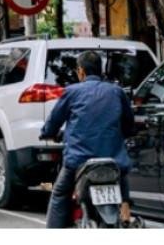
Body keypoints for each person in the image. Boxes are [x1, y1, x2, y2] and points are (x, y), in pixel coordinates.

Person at [40, 50, 135, 227]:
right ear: (100, 71)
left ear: (81, 71)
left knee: (59, 194)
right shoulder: (117, 92)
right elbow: (130, 126)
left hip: (79, 162)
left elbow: (53, 123)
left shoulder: (72, 92)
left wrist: (47, 132)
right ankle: (126, 215)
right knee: (123, 185)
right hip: (114, 163)